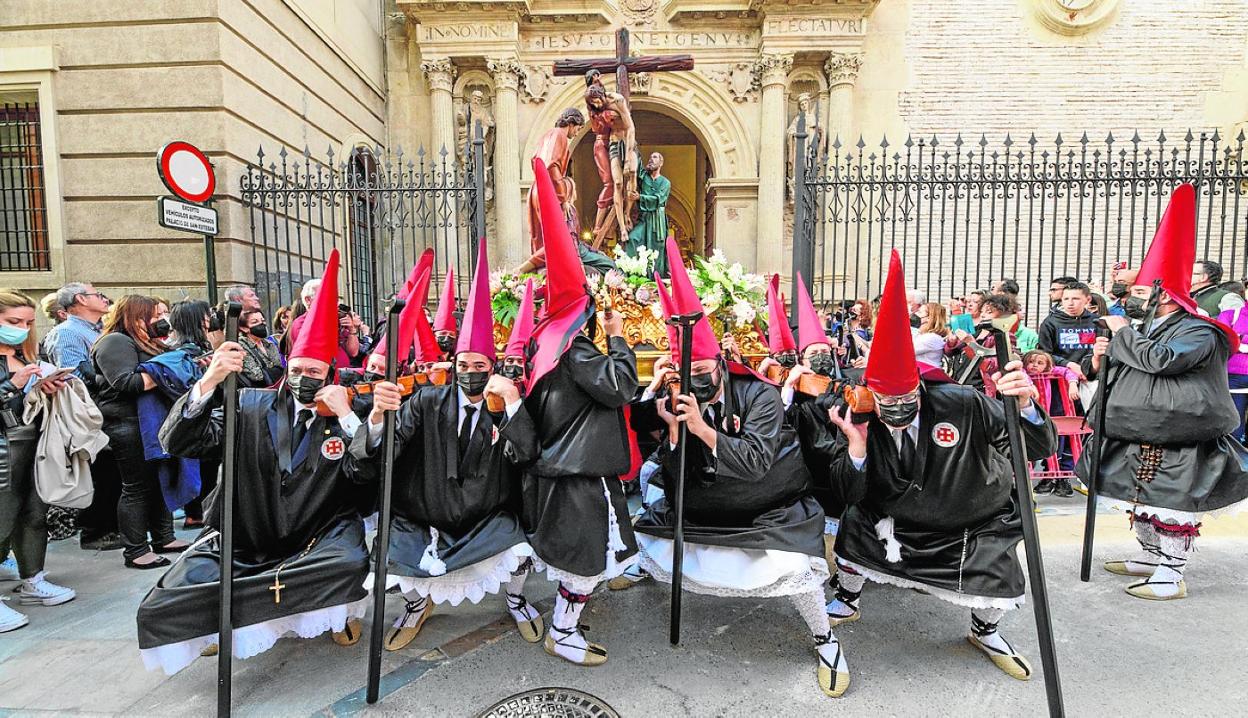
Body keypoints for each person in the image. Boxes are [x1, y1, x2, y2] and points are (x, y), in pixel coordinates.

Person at [625, 242, 848, 698]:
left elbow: (755, 462)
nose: (695, 381)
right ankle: (645, 569)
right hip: (706, 506)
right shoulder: (673, 398)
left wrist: (703, 430)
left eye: (703, 370)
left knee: (795, 571)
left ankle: (826, 640)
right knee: (652, 527)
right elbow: (672, 475)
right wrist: (671, 432)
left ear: (721, 365)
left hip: (767, 503)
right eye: (685, 373)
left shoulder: (760, 396)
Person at [136, 249, 372, 675]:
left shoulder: (342, 416)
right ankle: (219, 625)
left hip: (315, 536)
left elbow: (368, 474)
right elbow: (179, 439)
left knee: (350, 564)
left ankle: (340, 614)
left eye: (316, 371)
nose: (305, 378)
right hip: (248, 533)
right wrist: (209, 381)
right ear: (287, 366)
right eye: (297, 368)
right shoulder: (246, 404)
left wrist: (350, 419)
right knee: (169, 596)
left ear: (331, 375)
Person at [826, 250, 1056, 682]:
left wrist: (1024, 404)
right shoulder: (859, 414)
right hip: (897, 517)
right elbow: (846, 492)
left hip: (970, 517)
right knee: (854, 525)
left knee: (996, 581)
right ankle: (847, 597)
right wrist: (856, 446)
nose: (896, 409)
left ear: (920, 387)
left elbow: (1037, 446)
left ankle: (985, 631)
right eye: (886, 402)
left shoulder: (963, 403)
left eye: (905, 400)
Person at [350, 240, 544, 652]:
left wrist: (511, 403)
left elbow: (525, 455)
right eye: (464, 365)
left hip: (486, 513)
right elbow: (391, 443)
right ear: (453, 366)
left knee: (520, 545)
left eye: (480, 367)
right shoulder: (426, 399)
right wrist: (379, 418)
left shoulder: (504, 405)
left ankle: (515, 598)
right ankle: (417, 606)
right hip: (426, 510)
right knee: (397, 551)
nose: (470, 373)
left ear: (493, 369)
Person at [1078, 185, 1248, 601]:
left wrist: (1122, 335)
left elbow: (1163, 361)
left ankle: (1172, 573)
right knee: (1135, 500)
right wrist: (1103, 358)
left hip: (1179, 435)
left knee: (1173, 506)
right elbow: (1128, 365)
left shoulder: (1199, 330)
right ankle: (1150, 555)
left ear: (1164, 295)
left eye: (1139, 294)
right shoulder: (1142, 328)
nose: (1129, 301)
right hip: (1134, 429)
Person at [520, 158, 639, 666]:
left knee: (564, 550)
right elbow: (621, 387)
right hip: (582, 472)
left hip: (559, 465)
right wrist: (617, 339)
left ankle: (539, 612)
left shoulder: (542, 341)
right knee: (587, 559)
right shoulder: (577, 347)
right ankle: (562, 632)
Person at [92, 295, 187, 569]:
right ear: (136, 317)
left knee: (159, 481)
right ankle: (136, 550)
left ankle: (163, 537)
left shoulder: (149, 342)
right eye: (157, 315)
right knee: (136, 488)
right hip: (127, 423)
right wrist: (171, 372)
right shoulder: (116, 341)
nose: (163, 320)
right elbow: (126, 383)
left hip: (151, 421)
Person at [0, 290, 76, 633]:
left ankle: (33, 579)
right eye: (13, 322)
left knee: (33, 514)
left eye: (28, 323)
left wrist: (46, 387)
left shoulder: (26, 353)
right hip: (6, 448)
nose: (22, 328)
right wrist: (12, 387)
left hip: (34, 444)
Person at [623, 151, 672, 276]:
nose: (651, 159)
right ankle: (633, 275)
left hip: (657, 221)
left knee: (656, 252)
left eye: (654, 157)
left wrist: (640, 197)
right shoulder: (644, 177)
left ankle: (656, 283)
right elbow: (637, 162)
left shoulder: (665, 183)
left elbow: (658, 199)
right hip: (644, 219)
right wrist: (631, 143)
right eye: (650, 157)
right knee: (632, 239)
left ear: (661, 163)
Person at [1038, 281, 1097, 381]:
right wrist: (1069, 365)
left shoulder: (1097, 322)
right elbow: (1044, 353)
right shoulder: (1050, 322)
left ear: (1088, 300)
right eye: (1066, 299)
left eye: (1075, 299)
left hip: (1091, 378)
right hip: (1061, 378)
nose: (1070, 303)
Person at [1217, 304, 1248, 442]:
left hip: (1234, 374)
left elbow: (1232, 340)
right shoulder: (1229, 315)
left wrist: (1240, 339)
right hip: (1234, 376)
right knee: (1234, 421)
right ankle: (1236, 458)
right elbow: (1224, 339)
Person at [238, 309, 283, 388]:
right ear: (244, 328)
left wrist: (268, 372)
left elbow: (280, 369)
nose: (261, 324)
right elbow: (256, 375)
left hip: (276, 390)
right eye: (255, 322)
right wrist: (273, 371)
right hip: (257, 393)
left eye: (262, 320)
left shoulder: (269, 344)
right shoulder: (241, 345)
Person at [912, 302, 950, 368]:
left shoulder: (931, 337)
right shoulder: (923, 334)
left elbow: (906, 351)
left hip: (925, 375)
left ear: (929, 318)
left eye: (920, 312)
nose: (915, 314)